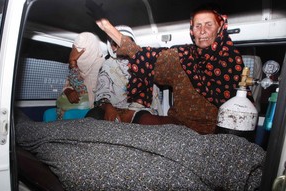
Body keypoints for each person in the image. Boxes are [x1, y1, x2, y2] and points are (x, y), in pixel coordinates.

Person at [95, 5, 251, 134]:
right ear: (192, 31)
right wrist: (107, 27)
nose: (202, 31)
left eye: (208, 24)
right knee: (141, 120)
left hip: (214, 131)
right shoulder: (183, 56)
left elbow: (241, 113)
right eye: (198, 26)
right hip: (177, 126)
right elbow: (142, 55)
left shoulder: (231, 60)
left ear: (220, 27)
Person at [85, 26, 163, 123]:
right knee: (93, 116)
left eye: (124, 43)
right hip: (113, 108)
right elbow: (102, 93)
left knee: (147, 120)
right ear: (110, 47)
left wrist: (130, 113)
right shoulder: (107, 65)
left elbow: (148, 93)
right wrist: (108, 108)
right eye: (115, 43)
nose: (120, 47)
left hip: (139, 109)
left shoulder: (143, 62)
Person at [56, 32, 104, 119]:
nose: (76, 53)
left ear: (90, 49)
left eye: (81, 49)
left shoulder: (102, 67)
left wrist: (73, 63)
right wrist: (68, 91)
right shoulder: (79, 67)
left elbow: (84, 92)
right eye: (75, 48)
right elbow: (67, 85)